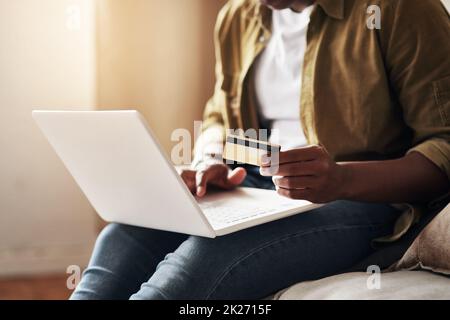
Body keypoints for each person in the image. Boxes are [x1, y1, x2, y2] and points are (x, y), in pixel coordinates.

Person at [71, 0, 450, 300]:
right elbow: (219, 116)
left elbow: (443, 145)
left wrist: (341, 179)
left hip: (360, 199)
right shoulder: (239, 16)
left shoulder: (401, 9)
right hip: (254, 184)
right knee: (127, 231)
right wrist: (211, 159)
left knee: (198, 264)